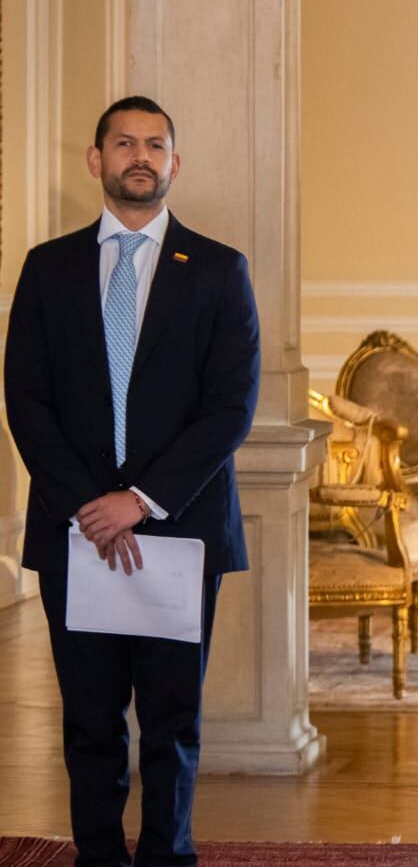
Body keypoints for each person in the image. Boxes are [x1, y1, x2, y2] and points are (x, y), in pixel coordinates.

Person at [5, 96, 261, 866]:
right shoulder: (47, 269)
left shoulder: (218, 271)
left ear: (175, 164)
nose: (139, 156)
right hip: (74, 529)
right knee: (88, 721)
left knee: (172, 722)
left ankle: (166, 855)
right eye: (123, 143)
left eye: (155, 144)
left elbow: (230, 408)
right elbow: (27, 397)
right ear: (97, 160)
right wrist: (92, 505)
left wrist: (137, 501)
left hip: (177, 532)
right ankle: (97, 856)